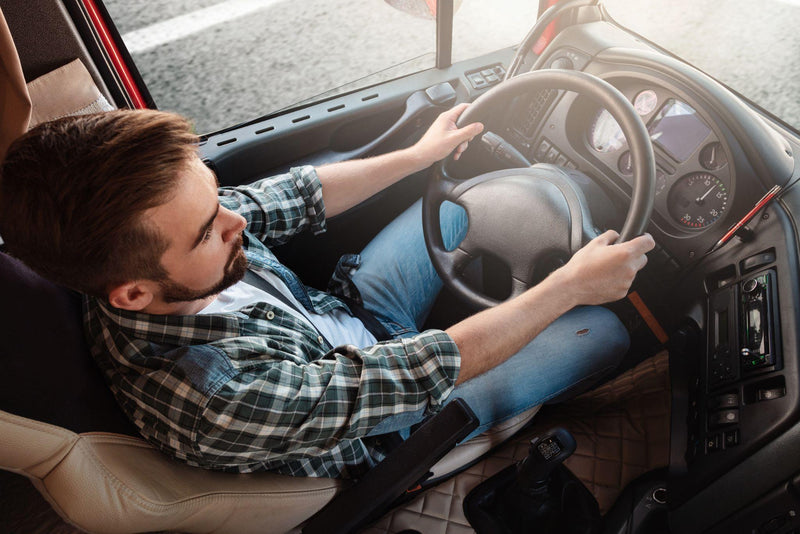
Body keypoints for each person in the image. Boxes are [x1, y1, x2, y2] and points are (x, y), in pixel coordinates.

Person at [0, 104, 654, 478]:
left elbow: (292, 195)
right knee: (605, 332)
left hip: (345, 316)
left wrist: (422, 154)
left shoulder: (155, 237)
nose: (236, 220)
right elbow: (424, 370)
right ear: (133, 296)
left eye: (213, 193)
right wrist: (567, 287)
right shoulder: (218, 398)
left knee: (513, 188)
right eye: (208, 230)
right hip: (390, 427)